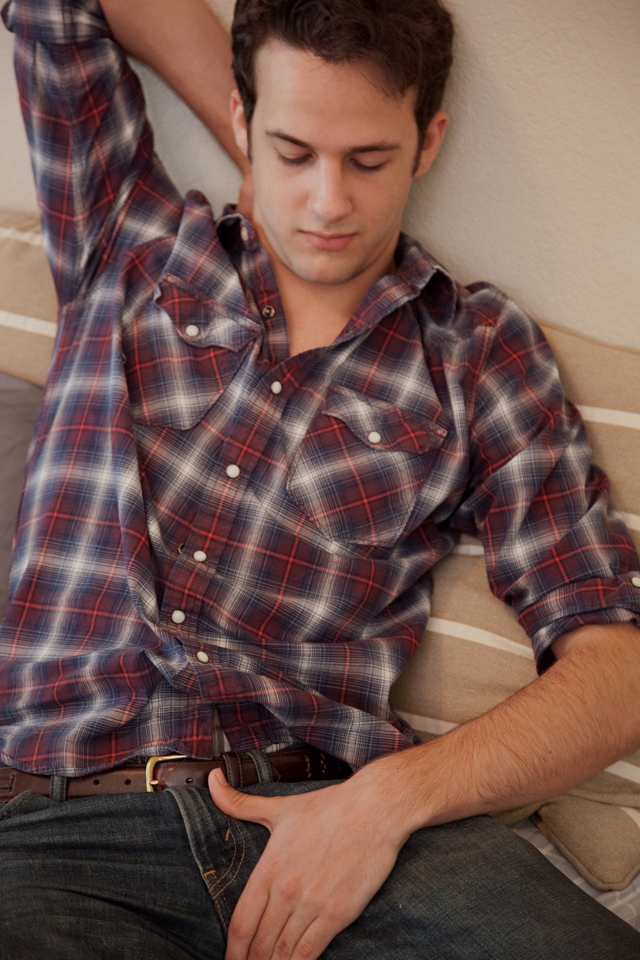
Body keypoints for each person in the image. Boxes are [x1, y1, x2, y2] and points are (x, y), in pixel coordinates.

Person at [1, 0, 639, 957]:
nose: (328, 202)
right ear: (243, 119)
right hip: (61, 824)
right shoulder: (126, 237)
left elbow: (618, 670)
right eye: (295, 152)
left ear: (428, 143)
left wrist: (390, 800)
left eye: (367, 159)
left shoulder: (478, 349)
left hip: (342, 816)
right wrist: (262, 130)